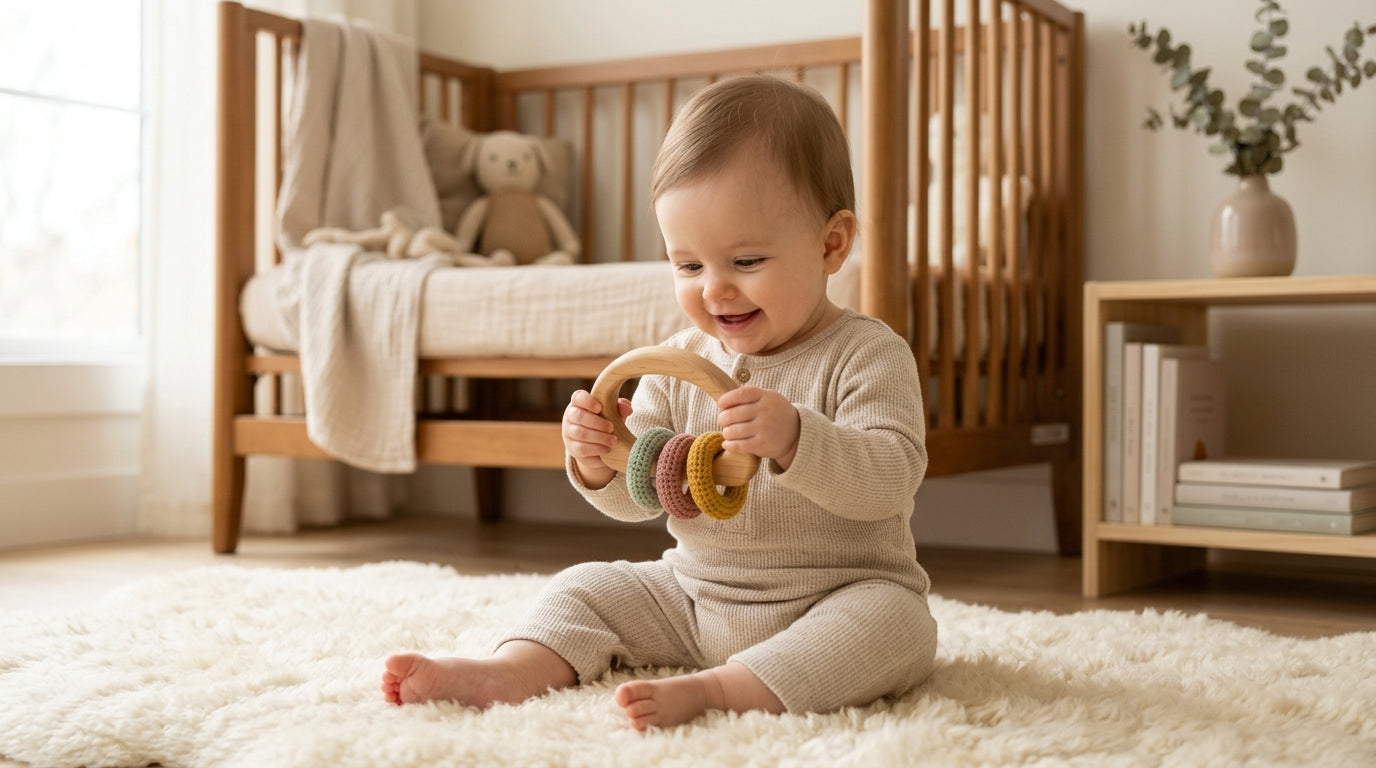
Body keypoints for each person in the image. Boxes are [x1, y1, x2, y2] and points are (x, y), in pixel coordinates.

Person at [382, 74, 937, 731]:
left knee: (898, 623)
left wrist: (796, 439)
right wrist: (598, 461)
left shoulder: (868, 355)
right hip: (694, 595)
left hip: (834, 597)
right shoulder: (679, 364)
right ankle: (510, 669)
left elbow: (890, 480)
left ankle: (723, 690)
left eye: (747, 260)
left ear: (831, 245)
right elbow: (637, 494)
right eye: (688, 266)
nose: (716, 291)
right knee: (587, 585)